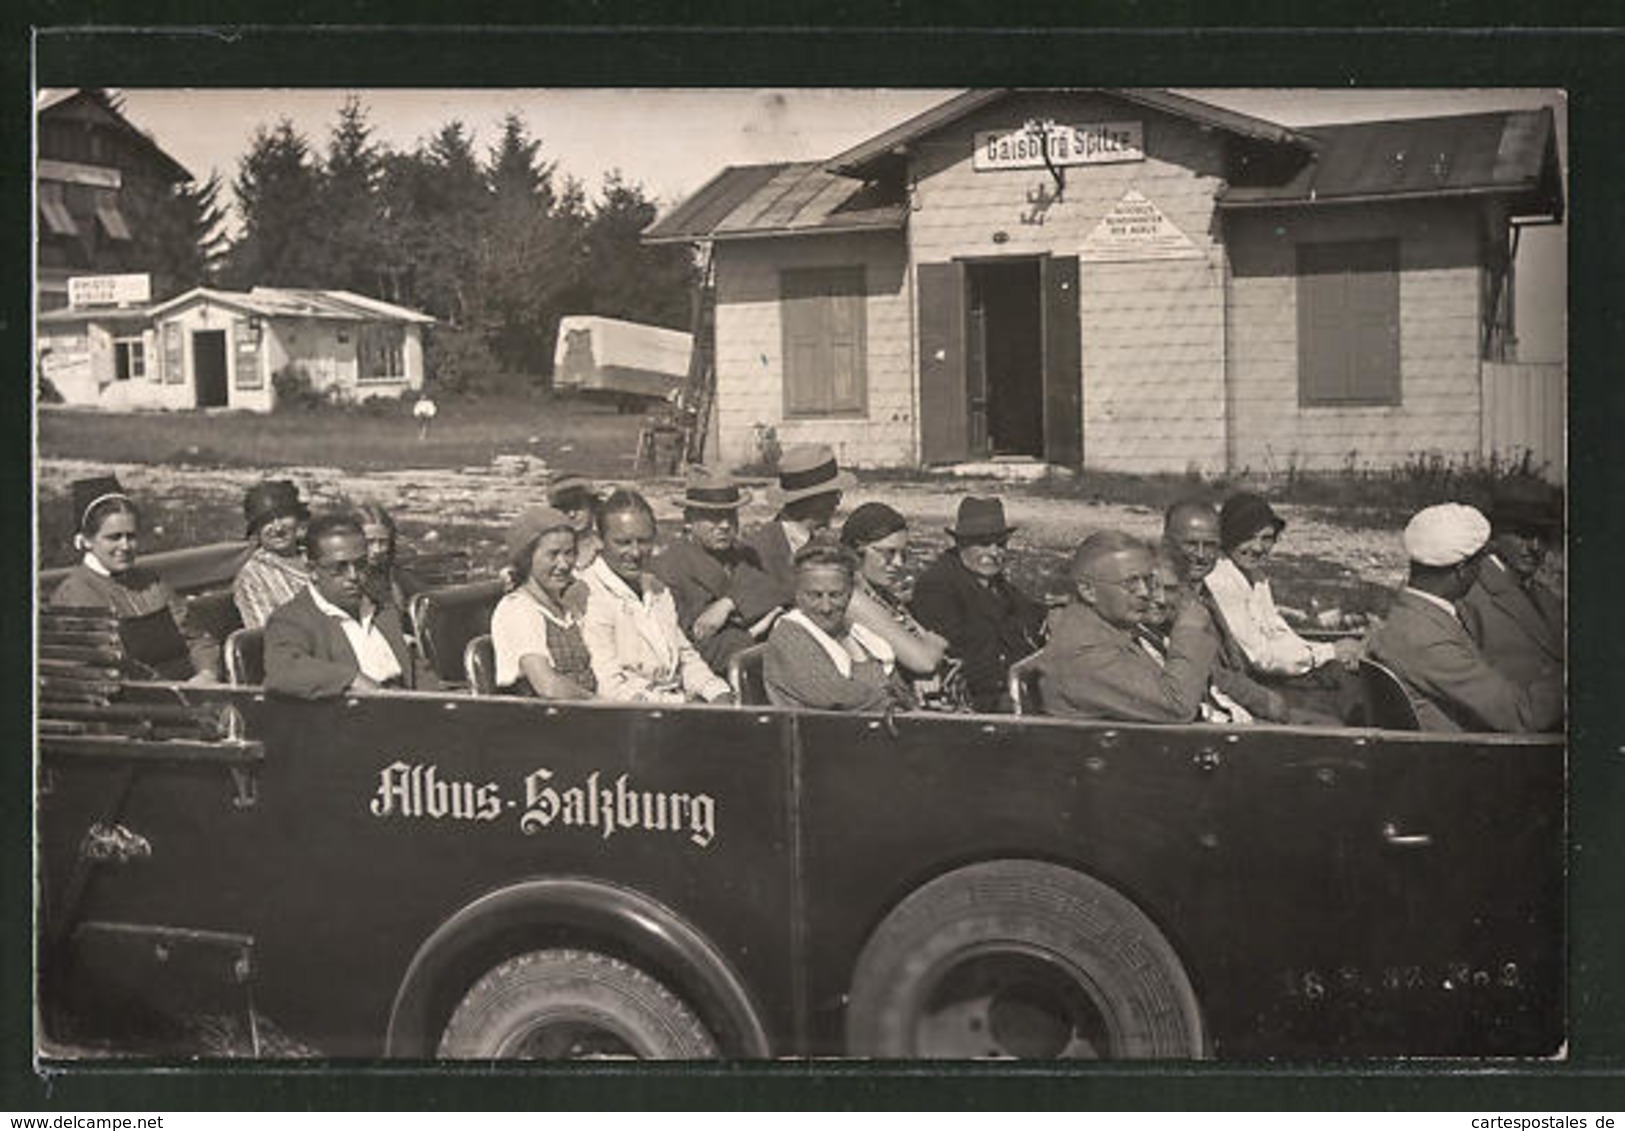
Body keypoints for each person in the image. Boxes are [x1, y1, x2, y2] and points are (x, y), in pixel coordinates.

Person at [1366, 503, 1562, 733]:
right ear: (1462, 570)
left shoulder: (1411, 616)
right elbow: (1520, 714)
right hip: (1470, 760)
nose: (1482, 571)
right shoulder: (1427, 638)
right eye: (1480, 562)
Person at [1031, 531, 1219, 723]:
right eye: (1131, 584)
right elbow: (1177, 706)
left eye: (1148, 581)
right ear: (1088, 591)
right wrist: (1189, 630)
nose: (1146, 593)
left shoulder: (1108, 628)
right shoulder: (1085, 652)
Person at [50, 475, 220, 682]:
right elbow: (99, 672)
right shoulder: (74, 595)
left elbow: (198, 639)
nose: (125, 546)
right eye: (114, 537)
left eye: (131, 536)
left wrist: (207, 673)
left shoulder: (152, 582)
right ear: (86, 540)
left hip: (190, 690)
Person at [579, 489, 734, 705]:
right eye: (623, 542)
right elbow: (609, 686)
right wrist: (681, 704)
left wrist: (716, 691)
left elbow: (685, 657)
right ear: (600, 540)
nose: (635, 553)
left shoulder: (656, 589)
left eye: (643, 542)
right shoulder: (589, 594)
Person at [908, 496, 1047, 713]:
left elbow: (1033, 615)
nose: (994, 552)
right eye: (983, 544)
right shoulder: (939, 586)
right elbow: (953, 655)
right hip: (975, 701)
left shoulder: (998, 585)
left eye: (1000, 544)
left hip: (1010, 689)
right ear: (960, 543)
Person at [1159, 501, 1289, 723]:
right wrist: (1262, 699)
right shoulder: (1162, 597)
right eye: (1191, 544)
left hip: (1238, 699)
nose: (1201, 555)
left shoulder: (1202, 589)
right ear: (1166, 543)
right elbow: (1197, 667)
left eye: (1210, 545)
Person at [264, 514, 417, 699]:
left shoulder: (382, 608)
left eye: (360, 565)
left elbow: (418, 673)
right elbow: (284, 671)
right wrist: (352, 679)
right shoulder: (292, 619)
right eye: (339, 568)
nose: (353, 576)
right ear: (312, 570)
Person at [652, 466, 784, 673]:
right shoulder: (668, 567)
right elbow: (694, 642)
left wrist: (728, 603)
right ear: (689, 520)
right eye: (713, 517)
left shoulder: (744, 555)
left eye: (730, 516)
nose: (724, 525)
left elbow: (777, 589)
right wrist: (751, 633)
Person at [763, 541, 910, 712]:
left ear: (850, 594)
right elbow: (836, 696)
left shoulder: (854, 633)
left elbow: (897, 685)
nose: (826, 607)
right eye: (815, 595)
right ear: (798, 595)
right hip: (820, 734)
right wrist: (893, 700)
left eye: (835, 595)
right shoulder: (789, 636)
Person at [839, 502, 959, 705]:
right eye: (888, 553)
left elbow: (930, 651)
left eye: (903, 554)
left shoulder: (879, 593)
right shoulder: (852, 597)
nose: (898, 564)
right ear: (856, 550)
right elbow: (925, 660)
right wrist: (930, 649)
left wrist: (927, 655)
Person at [1458, 478, 1563, 686]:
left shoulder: (1548, 597)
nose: (1535, 546)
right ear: (1495, 535)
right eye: (1523, 534)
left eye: (1543, 536)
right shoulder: (1468, 597)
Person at [490, 506, 595, 699]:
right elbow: (548, 686)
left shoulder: (568, 608)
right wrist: (602, 704)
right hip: (541, 721)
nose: (564, 564)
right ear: (526, 559)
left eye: (569, 553)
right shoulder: (518, 609)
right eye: (553, 554)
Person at [742, 443, 857, 602]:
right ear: (814, 500)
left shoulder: (829, 543)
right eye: (834, 495)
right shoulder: (759, 549)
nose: (837, 503)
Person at [233, 479, 312, 629]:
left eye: (283, 516)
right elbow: (267, 635)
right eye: (266, 521)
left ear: (298, 519)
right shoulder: (252, 578)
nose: (277, 528)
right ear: (256, 529)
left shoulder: (317, 556)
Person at [354, 502, 425, 622]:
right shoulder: (347, 582)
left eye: (383, 542)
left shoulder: (394, 575)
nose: (377, 550)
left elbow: (427, 596)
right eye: (369, 542)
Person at [548, 472, 602, 570]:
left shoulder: (606, 548)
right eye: (564, 508)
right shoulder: (548, 553)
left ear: (592, 506)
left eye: (578, 506)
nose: (572, 514)